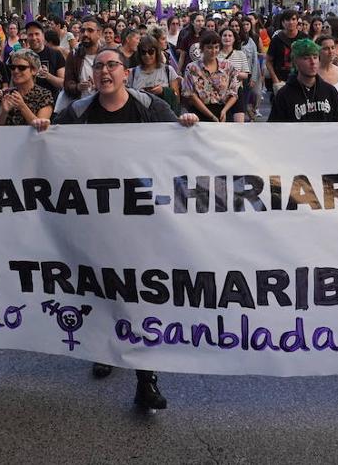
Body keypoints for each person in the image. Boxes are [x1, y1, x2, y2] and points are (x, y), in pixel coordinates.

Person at [35, 47, 198, 411]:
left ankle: (146, 379)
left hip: (142, 222)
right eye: (100, 66)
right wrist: (45, 129)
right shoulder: (79, 112)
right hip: (97, 221)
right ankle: (104, 349)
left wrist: (185, 125)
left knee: (140, 295)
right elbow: (53, 146)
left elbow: (177, 142)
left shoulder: (150, 108)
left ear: (126, 73)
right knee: (104, 290)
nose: (105, 71)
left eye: (113, 66)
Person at [268, 38, 338, 122]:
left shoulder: (330, 92)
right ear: (295, 62)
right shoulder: (284, 95)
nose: (312, 62)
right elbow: (274, 128)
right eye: (306, 58)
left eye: (315, 57)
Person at [183, 31, 241, 123]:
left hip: (224, 112)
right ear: (202, 48)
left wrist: (224, 111)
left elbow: (234, 93)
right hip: (199, 113)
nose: (213, 51)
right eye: (209, 48)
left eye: (216, 47)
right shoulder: (192, 68)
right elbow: (191, 95)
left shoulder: (228, 66)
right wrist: (211, 116)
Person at [0, 49, 53, 126]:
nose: (16, 71)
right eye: (12, 67)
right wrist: (4, 112)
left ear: (34, 70)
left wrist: (22, 106)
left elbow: (41, 126)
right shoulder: (8, 93)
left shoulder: (45, 95)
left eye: (21, 68)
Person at [130, 34, 181, 111]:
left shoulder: (168, 70)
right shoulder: (132, 73)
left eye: (150, 52)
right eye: (143, 52)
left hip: (164, 116)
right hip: (140, 117)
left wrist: (163, 91)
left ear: (156, 52)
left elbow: (176, 99)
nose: (147, 55)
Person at [62, 16, 103, 104]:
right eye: (83, 31)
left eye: (90, 31)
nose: (85, 34)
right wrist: (77, 87)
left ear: (99, 33)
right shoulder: (74, 56)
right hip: (80, 107)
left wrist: (100, 86)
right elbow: (67, 84)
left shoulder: (107, 56)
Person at [23, 21, 66, 101]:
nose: (34, 38)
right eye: (30, 35)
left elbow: (62, 83)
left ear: (43, 36)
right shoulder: (23, 56)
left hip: (52, 103)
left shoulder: (56, 54)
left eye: (37, 34)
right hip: (28, 102)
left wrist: (47, 75)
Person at [265, 9, 301, 93]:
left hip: (300, 80)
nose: (291, 22)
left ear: (297, 21)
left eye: (293, 19)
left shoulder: (304, 38)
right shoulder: (277, 39)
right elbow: (268, 61)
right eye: (288, 20)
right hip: (280, 80)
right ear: (283, 22)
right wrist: (275, 79)